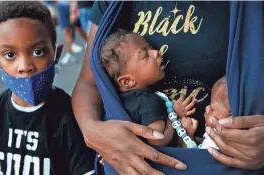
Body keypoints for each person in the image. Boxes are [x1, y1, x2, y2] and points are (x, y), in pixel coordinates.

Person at [72, 1, 264, 174]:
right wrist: (92, 130)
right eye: (144, 55)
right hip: (132, 162)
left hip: (224, 158)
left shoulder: (249, 7)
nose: (156, 54)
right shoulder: (114, 4)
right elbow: (88, 82)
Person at [0, 2, 95, 175]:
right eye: (10, 55)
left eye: (38, 51)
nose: (25, 66)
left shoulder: (70, 119)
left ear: (56, 54)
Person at [100, 29, 196, 146]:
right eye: (145, 56)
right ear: (127, 81)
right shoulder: (147, 101)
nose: (155, 52)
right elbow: (158, 140)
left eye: (150, 47)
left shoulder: (115, 101)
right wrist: (174, 115)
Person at [180, 76, 231, 149]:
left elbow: (191, 157)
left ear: (231, 118)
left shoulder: (215, 143)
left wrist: (188, 134)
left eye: (212, 109)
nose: (207, 108)